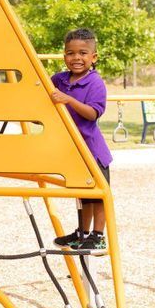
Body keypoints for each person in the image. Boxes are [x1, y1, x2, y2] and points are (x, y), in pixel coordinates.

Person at [50, 28, 112, 251]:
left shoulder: (95, 83)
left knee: (98, 195)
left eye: (83, 53)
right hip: (72, 149)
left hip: (92, 149)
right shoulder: (60, 79)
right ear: (64, 56)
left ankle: (98, 235)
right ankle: (82, 232)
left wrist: (68, 100)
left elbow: (93, 113)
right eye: (70, 53)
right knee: (82, 194)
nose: (76, 58)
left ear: (93, 57)